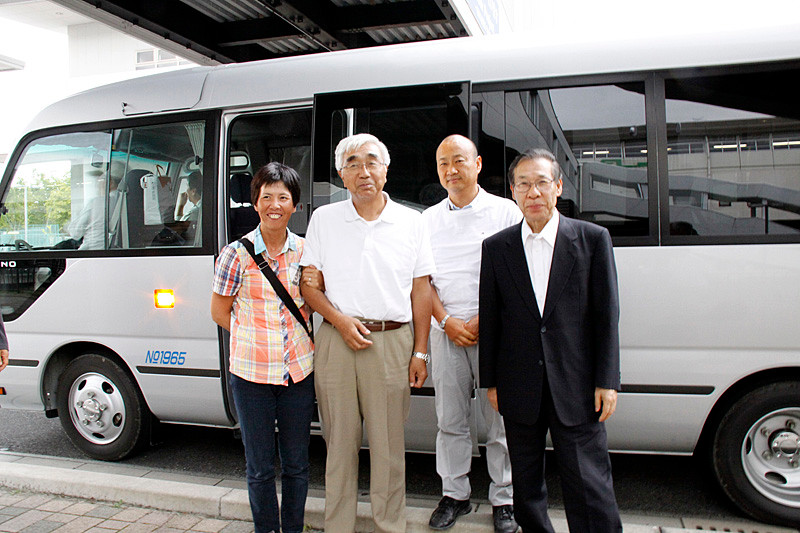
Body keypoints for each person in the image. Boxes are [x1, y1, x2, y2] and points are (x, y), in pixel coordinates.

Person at [479, 148, 622, 533]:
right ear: (513, 191)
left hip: (577, 383)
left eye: (542, 182)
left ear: (558, 187)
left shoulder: (592, 240)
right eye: (523, 184)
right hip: (519, 384)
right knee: (525, 486)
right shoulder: (497, 247)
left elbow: (606, 316)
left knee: (589, 484)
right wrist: (490, 381)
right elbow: (492, 318)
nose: (533, 192)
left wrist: (607, 380)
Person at [300, 133, 435, 533]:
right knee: (338, 444)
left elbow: (421, 290)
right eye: (353, 163)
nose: (364, 171)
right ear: (342, 175)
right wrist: (340, 321)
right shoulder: (324, 219)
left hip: (394, 341)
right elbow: (310, 285)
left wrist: (421, 352)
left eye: (372, 161)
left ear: (386, 170)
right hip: (335, 339)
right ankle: (337, 525)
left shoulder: (413, 221)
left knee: (389, 447)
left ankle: (389, 525)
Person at [422, 135, 521, 532]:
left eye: (459, 160)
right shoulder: (426, 220)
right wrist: (447, 321)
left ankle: (505, 499)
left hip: (495, 330)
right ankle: (455, 494)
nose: (451, 170)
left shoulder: (504, 212)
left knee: (500, 419)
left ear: (477, 164)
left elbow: (518, 273)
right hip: (445, 330)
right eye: (443, 163)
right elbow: (422, 281)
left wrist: (484, 318)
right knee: (450, 419)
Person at [210, 162, 314, 533]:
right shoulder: (234, 255)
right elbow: (219, 311)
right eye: (266, 196)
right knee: (259, 466)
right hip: (251, 375)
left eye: (282, 197)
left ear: (294, 205)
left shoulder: (305, 251)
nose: (274, 204)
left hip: (298, 374)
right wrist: (255, 337)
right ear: (255, 203)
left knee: (297, 464)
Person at [68, 162, 124, 250]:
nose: (97, 185)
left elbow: (75, 233)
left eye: (101, 180)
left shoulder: (97, 203)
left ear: (111, 183)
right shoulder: (125, 201)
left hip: (93, 252)